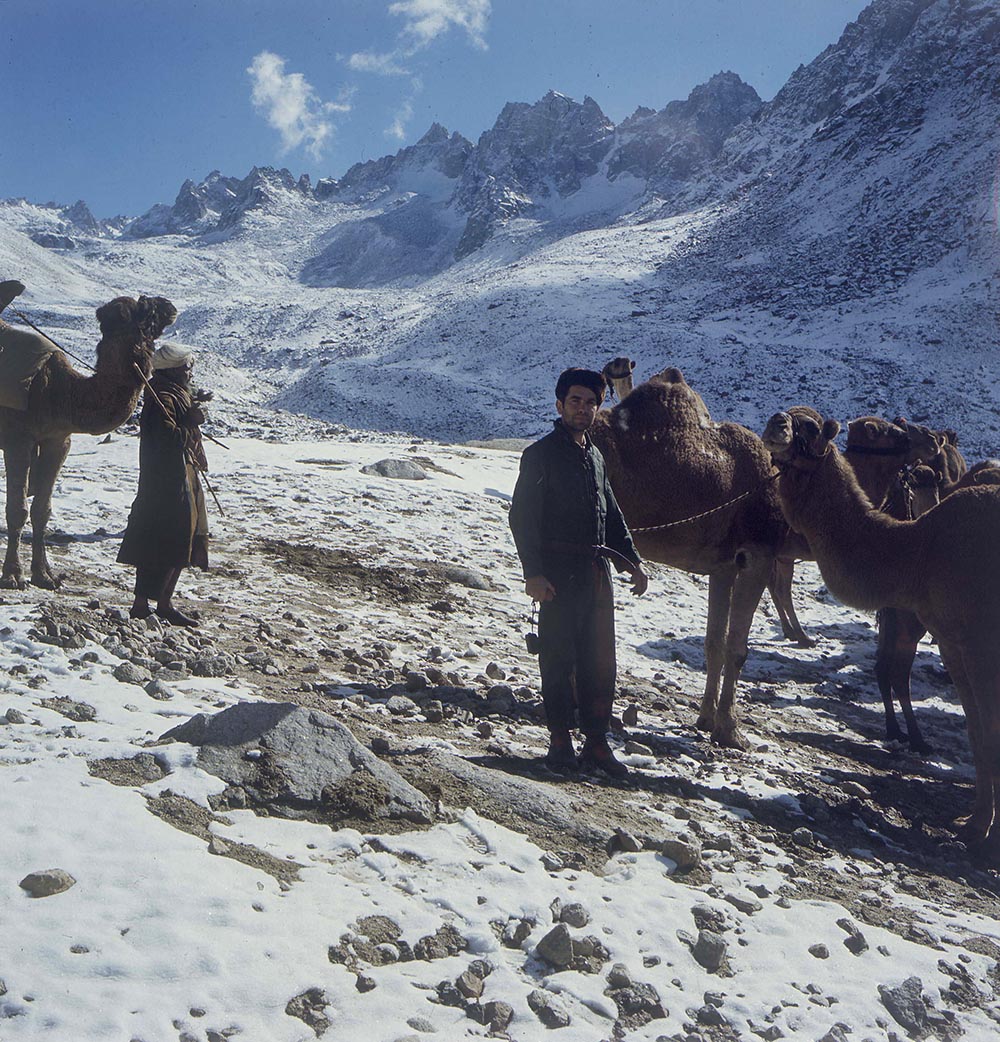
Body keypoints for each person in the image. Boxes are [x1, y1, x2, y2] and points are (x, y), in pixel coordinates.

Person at [509, 367, 648, 778]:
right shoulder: (540, 454)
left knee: (600, 660)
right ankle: (559, 742)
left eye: (591, 403)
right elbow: (522, 518)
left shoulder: (596, 455)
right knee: (557, 657)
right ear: (559, 404)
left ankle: (597, 743)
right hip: (557, 573)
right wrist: (533, 573)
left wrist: (633, 560)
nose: (583, 409)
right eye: (575, 401)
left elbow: (613, 513)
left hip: (596, 573)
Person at [117, 342, 211, 626]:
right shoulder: (160, 397)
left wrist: (193, 405)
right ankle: (148, 604)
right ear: (175, 369)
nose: (190, 372)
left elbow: (185, 400)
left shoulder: (171, 391)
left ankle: (158, 603)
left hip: (179, 475)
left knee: (175, 538)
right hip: (167, 480)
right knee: (165, 539)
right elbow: (165, 438)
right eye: (187, 367)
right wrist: (189, 422)